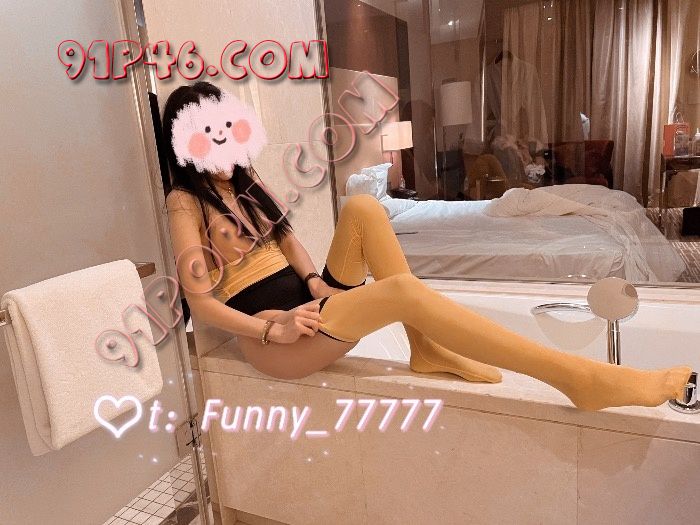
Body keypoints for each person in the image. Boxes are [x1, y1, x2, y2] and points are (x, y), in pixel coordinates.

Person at [164, 81, 691, 412]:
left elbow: (289, 242)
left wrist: (316, 282)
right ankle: (579, 379)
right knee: (403, 293)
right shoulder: (185, 202)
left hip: (309, 306)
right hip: (275, 339)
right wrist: (271, 327)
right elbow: (201, 305)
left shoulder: (247, 183)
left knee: (363, 208)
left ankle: (425, 347)